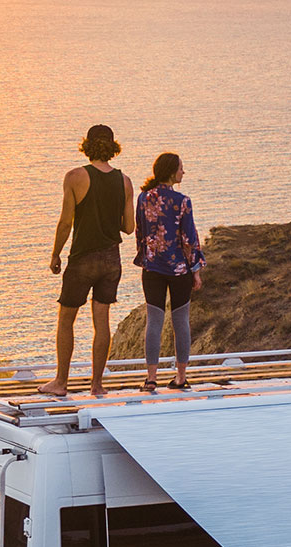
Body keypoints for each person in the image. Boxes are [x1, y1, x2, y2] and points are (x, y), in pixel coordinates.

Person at [40, 124, 135, 397]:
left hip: (83, 259)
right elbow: (128, 228)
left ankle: (60, 382)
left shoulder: (74, 177)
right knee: (101, 321)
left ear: (88, 144)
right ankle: (97, 385)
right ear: (113, 146)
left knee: (66, 319)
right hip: (111, 259)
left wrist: (56, 253)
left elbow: (65, 223)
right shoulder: (124, 181)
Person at [132, 151, 206, 391]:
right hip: (179, 270)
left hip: (152, 267)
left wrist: (146, 257)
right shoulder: (182, 201)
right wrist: (195, 270)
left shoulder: (143, 198)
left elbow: (140, 232)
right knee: (180, 321)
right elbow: (189, 239)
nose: (184, 172)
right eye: (181, 168)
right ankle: (181, 378)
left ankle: (151, 379)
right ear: (172, 172)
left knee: (154, 321)